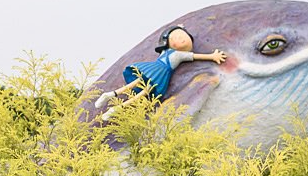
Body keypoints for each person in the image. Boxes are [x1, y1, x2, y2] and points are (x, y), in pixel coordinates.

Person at [95, 25, 226, 120]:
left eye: (184, 36)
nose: (181, 39)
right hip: (155, 69)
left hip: (161, 72)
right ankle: (109, 95)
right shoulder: (170, 52)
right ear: (167, 41)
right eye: (177, 37)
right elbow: (195, 56)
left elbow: (195, 56)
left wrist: (212, 56)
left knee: (143, 91)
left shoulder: (180, 55)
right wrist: (212, 56)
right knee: (135, 84)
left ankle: (115, 108)